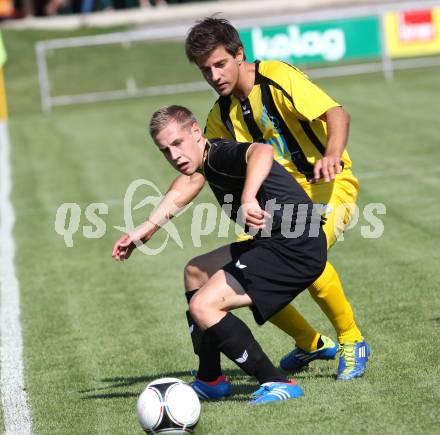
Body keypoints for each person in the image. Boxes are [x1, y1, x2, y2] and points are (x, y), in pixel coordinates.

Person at [182, 17, 370, 387]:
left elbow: (336, 113)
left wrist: (331, 155)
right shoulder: (221, 115)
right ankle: (311, 343)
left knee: (305, 254)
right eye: (206, 70)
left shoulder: (276, 76)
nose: (215, 75)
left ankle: (352, 340)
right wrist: (153, 222)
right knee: (253, 271)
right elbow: (201, 170)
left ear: (239, 54)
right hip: (279, 204)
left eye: (220, 64)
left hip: (329, 184)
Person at [112, 105, 328, 404]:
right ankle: (210, 379)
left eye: (177, 143)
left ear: (196, 132)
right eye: (165, 150)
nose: (174, 155)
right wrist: (146, 229)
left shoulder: (219, 154)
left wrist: (249, 196)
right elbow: (187, 184)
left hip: (295, 245)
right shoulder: (205, 163)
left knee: (204, 306)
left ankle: (276, 381)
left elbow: (262, 152)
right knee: (195, 272)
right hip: (276, 241)